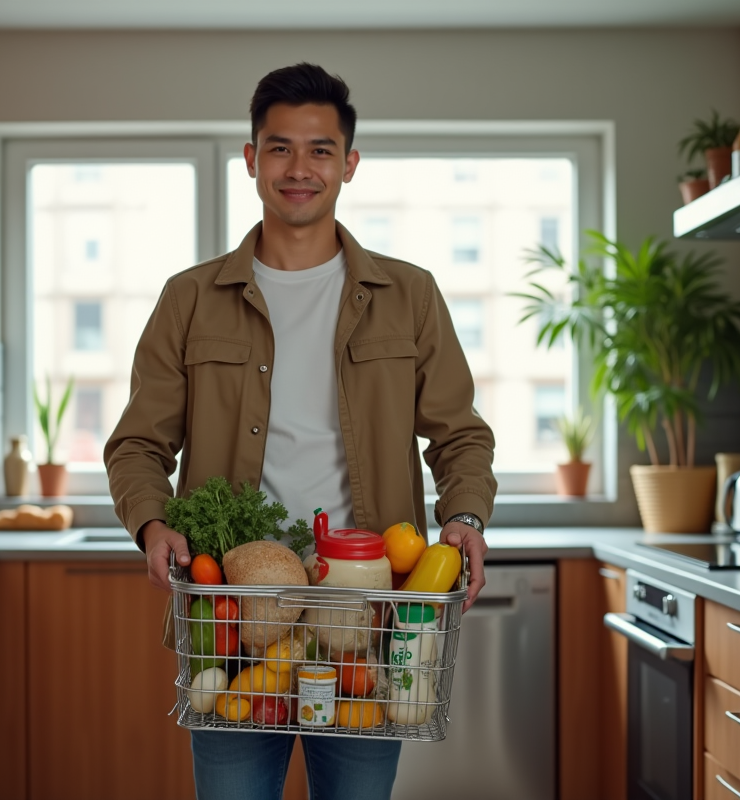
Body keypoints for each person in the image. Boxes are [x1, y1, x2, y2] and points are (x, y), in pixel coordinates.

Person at [104, 62, 496, 800]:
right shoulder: (189, 299)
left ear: (349, 164)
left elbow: (460, 434)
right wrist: (151, 521)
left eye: (320, 150)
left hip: (367, 618)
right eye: (279, 148)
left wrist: (466, 514)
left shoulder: (408, 295)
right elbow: (137, 443)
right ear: (251, 160)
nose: (299, 168)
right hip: (232, 611)